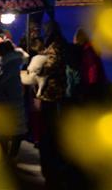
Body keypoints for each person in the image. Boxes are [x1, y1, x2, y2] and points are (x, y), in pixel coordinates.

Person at [38, 23, 67, 186]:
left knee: (51, 122)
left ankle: (54, 148)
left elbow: (51, 65)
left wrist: (38, 68)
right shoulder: (53, 45)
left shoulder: (56, 46)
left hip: (53, 92)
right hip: (51, 91)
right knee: (49, 122)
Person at [0, 40, 27, 158]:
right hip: (14, 95)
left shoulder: (8, 63)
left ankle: (8, 155)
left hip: (7, 97)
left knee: (7, 127)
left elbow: (1, 80)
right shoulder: (12, 60)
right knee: (15, 125)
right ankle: (10, 155)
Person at [73, 28, 107, 101]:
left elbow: (92, 67)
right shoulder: (90, 48)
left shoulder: (88, 50)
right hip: (95, 83)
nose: (74, 41)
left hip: (91, 84)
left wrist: (91, 85)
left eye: (75, 38)